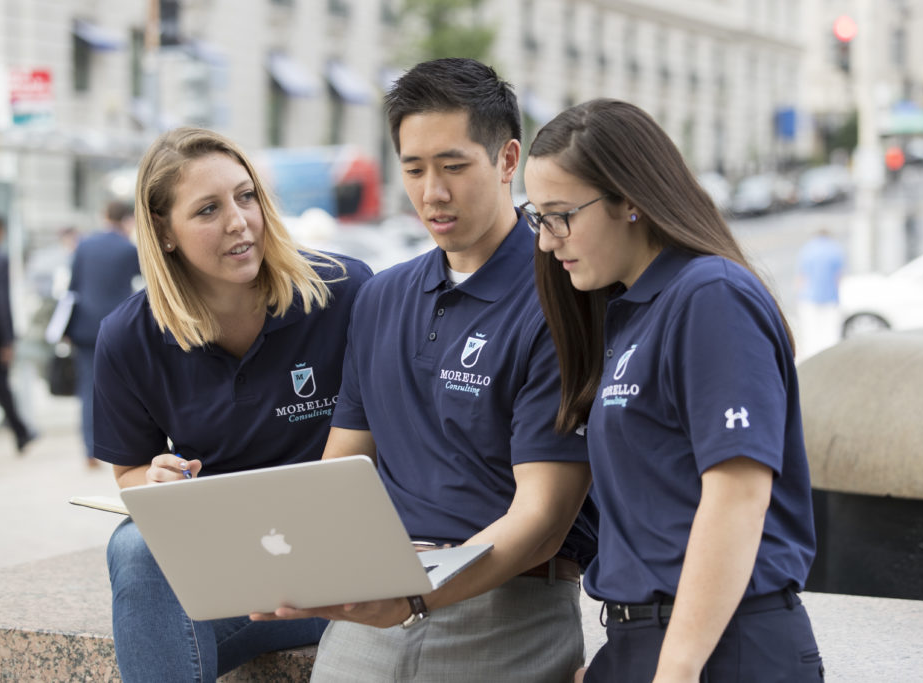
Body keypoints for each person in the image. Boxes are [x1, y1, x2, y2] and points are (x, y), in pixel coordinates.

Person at [253, 58, 597, 683]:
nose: (432, 192)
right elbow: (343, 472)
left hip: (507, 606)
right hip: (374, 607)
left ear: (507, 158)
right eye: (413, 169)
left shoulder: (561, 294)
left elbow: (544, 518)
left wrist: (416, 595)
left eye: (454, 166)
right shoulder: (381, 297)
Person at [523, 99, 822, 682]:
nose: (546, 240)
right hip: (648, 640)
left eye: (560, 215)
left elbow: (737, 494)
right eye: (537, 217)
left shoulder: (711, 295)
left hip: (722, 647)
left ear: (629, 198)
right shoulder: (630, 311)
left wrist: (676, 669)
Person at [94, 127, 372, 682]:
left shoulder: (343, 290)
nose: (238, 221)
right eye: (207, 210)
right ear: (163, 233)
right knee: (134, 544)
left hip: (346, 562)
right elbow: (130, 470)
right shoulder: (129, 336)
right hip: (238, 569)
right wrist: (156, 480)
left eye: (246, 196)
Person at [65, 201, 141, 468]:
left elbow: (72, 288)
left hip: (85, 329)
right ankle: (121, 449)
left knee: (88, 389)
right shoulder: (128, 249)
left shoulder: (84, 245)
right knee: (124, 389)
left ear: (105, 216)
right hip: (120, 330)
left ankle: (90, 450)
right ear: (126, 219)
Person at [0, 214, 36, 453]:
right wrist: (8, 340)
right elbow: (1, 302)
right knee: (1, 385)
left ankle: (21, 431)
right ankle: (20, 432)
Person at [796, 228, 845, 359]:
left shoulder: (808, 249)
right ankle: (829, 358)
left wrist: (799, 294)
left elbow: (802, 276)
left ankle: (812, 360)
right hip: (830, 296)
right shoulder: (835, 249)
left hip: (808, 297)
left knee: (810, 332)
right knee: (830, 332)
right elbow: (838, 276)